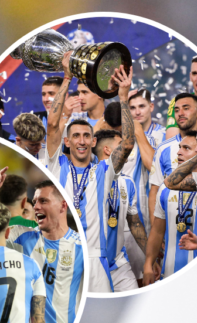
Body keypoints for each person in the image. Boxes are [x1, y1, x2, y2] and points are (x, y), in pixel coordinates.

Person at [45, 54, 136, 293]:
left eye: (86, 136)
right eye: (76, 136)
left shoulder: (104, 171)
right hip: (60, 256)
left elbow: (126, 144)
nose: (82, 141)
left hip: (95, 259)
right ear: (67, 141)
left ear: (94, 140)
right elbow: (53, 124)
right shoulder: (57, 166)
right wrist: (67, 77)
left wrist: (123, 97)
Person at [5, 181, 84, 323]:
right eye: (34, 201)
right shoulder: (22, 236)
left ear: (63, 205)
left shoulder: (81, 247)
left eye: (43, 201)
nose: (36, 206)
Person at [92, 130, 147, 291]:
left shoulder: (128, 183)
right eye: (120, 144)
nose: (127, 150)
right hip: (93, 265)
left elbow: (135, 223)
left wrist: (150, 258)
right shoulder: (89, 178)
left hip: (119, 264)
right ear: (108, 151)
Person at [143, 132, 197, 284]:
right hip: (169, 272)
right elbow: (157, 230)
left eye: (186, 148)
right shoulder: (165, 188)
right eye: (179, 147)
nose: (179, 152)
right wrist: (148, 264)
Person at [148, 93, 197, 226]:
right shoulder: (163, 148)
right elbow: (155, 190)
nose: (180, 113)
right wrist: (156, 228)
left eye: (186, 108)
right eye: (176, 110)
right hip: (171, 228)